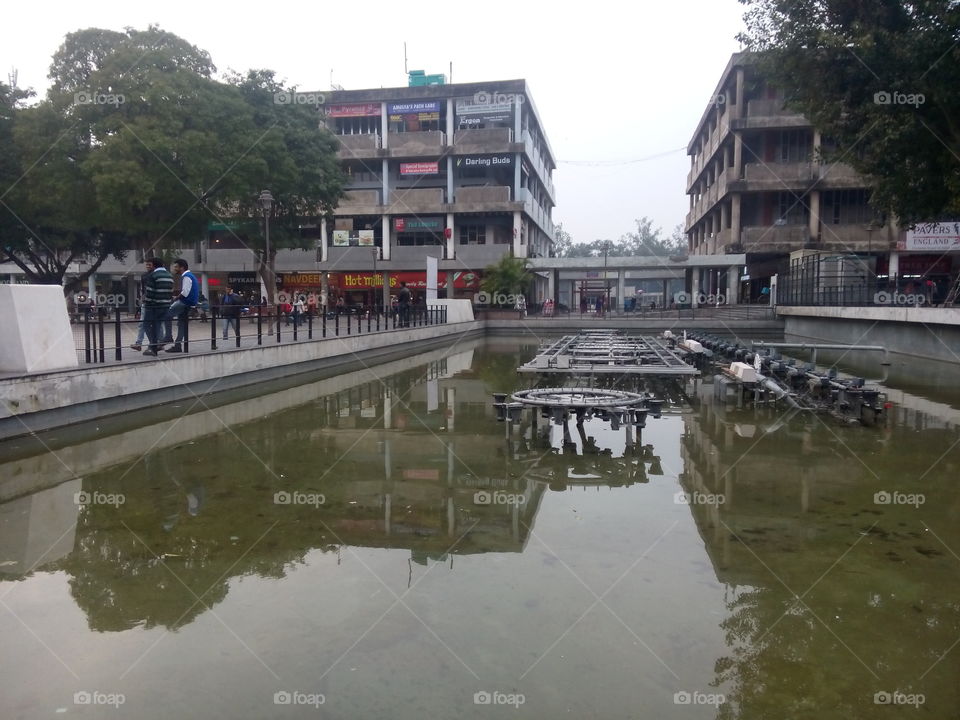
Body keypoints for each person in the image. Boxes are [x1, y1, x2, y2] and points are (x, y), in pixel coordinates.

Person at [162, 258, 199, 353]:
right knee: (182, 324)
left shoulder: (186, 276)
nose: (175, 269)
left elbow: (185, 292)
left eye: (176, 267)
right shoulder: (191, 276)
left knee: (167, 315)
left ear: (182, 268)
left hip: (185, 302)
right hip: (191, 303)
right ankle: (178, 345)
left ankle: (168, 336)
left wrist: (175, 298)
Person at [142, 258, 174, 356]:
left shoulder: (153, 275)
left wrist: (146, 303)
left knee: (146, 325)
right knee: (158, 325)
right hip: (166, 305)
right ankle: (154, 345)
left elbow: (150, 292)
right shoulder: (169, 275)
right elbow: (170, 292)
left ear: (154, 265)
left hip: (154, 306)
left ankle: (153, 345)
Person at [130, 259, 153, 351]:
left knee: (154, 323)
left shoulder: (155, 275)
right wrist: (142, 298)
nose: (148, 266)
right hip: (146, 302)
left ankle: (157, 342)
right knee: (143, 323)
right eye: (147, 265)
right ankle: (139, 343)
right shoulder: (144, 276)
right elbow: (143, 289)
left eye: (149, 264)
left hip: (153, 302)